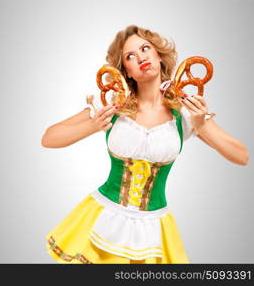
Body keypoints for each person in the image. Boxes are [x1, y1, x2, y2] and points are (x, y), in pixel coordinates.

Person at [41, 25, 249, 264]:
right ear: (126, 71)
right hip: (103, 218)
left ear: (158, 55)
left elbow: (241, 156)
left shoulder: (186, 113)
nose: (140, 57)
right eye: (130, 56)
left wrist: (202, 125)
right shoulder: (113, 103)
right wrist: (93, 125)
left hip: (153, 229)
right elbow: (49, 138)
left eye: (145, 48)